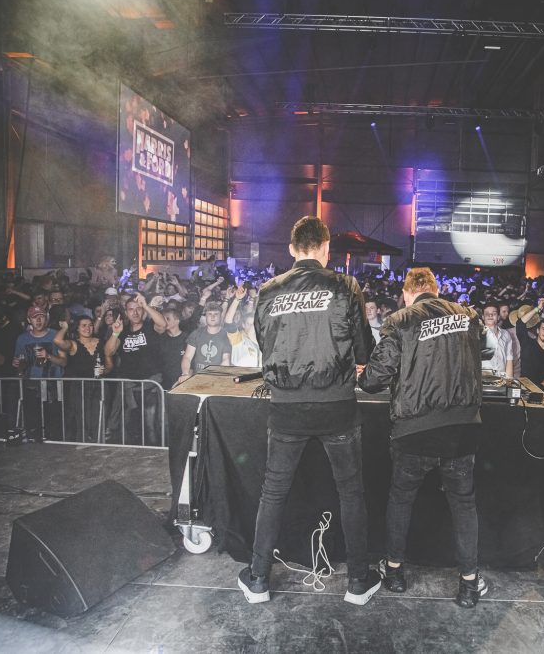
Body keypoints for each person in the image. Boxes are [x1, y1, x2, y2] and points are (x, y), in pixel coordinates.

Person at [237, 216, 379, 606]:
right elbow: (364, 349)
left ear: (291, 248)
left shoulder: (269, 290)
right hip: (337, 405)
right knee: (351, 493)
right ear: (326, 247)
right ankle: (358, 582)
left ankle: (258, 579)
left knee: (273, 492)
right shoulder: (345, 286)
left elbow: (265, 343)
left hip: (287, 406)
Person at [358, 267, 489, 608]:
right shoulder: (467, 315)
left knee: (401, 500)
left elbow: (374, 379)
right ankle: (469, 585)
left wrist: (364, 375)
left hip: (415, 430)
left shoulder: (400, 320)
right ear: (436, 290)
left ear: (407, 294)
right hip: (462, 428)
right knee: (464, 504)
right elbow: (484, 351)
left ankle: (394, 573)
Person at [103, 293, 166, 445]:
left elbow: (163, 324)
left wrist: (146, 305)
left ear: (143, 311)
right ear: (126, 312)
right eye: (131, 309)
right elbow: (108, 352)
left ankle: (154, 455)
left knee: (151, 425)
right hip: (129, 387)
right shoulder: (122, 331)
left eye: (138, 309)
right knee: (128, 426)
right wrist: (115, 333)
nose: (135, 312)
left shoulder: (150, 327)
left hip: (150, 385)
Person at [12, 305, 68, 442]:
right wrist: (17, 365)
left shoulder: (55, 335)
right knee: (34, 425)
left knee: (54, 425)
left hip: (54, 385)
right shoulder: (22, 339)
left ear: (46, 318)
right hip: (32, 385)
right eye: (34, 317)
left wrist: (48, 356)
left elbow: (64, 362)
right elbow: (20, 365)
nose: (38, 320)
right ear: (29, 320)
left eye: (41, 317)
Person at [180, 301, 231, 379]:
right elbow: (187, 357)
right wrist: (185, 373)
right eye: (209, 314)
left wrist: (218, 376)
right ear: (205, 316)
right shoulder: (196, 333)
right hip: (197, 378)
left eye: (216, 314)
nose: (212, 317)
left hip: (217, 378)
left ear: (220, 316)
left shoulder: (226, 335)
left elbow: (226, 359)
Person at [481, 301, 513, 378]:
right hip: (483, 380)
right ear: (483, 317)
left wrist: (509, 380)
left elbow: (509, 359)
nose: (490, 315)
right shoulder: (477, 335)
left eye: (494, 313)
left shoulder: (506, 334)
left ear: (498, 317)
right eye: (487, 314)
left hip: (502, 379)